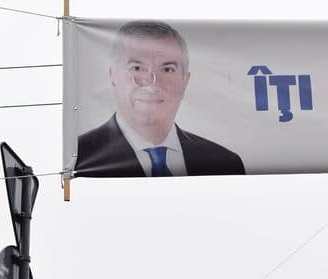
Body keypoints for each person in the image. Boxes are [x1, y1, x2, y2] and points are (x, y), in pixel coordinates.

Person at [75, 20, 245, 178]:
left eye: (167, 69)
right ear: (113, 75)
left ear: (185, 81)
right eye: (137, 67)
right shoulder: (80, 157)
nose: (152, 84)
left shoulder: (226, 163)